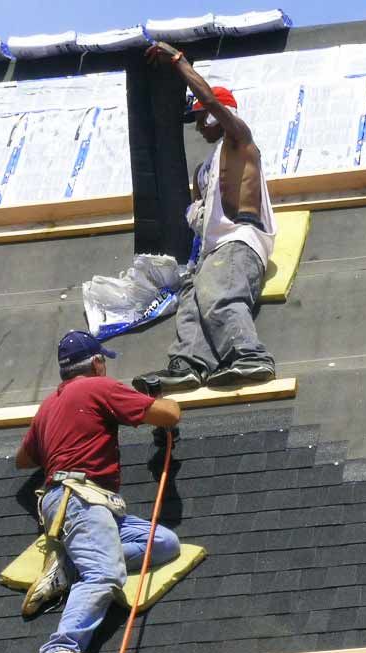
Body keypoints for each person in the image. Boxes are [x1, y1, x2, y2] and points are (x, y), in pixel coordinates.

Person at [16, 330, 182, 653]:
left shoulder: (49, 406)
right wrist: (162, 398)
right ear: (96, 362)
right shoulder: (99, 387)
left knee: (164, 543)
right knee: (105, 575)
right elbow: (168, 415)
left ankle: (71, 564)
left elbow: (24, 459)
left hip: (67, 502)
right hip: (82, 500)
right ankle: (60, 649)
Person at [133, 41, 277, 397]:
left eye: (199, 117)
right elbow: (201, 216)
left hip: (238, 244)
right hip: (211, 254)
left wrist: (178, 62)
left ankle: (248, 355)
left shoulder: (239, 141)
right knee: (192, 303)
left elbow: (211, 101)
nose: (198, 125)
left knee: (220, 297)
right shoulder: (206, 169)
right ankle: (188, 365)